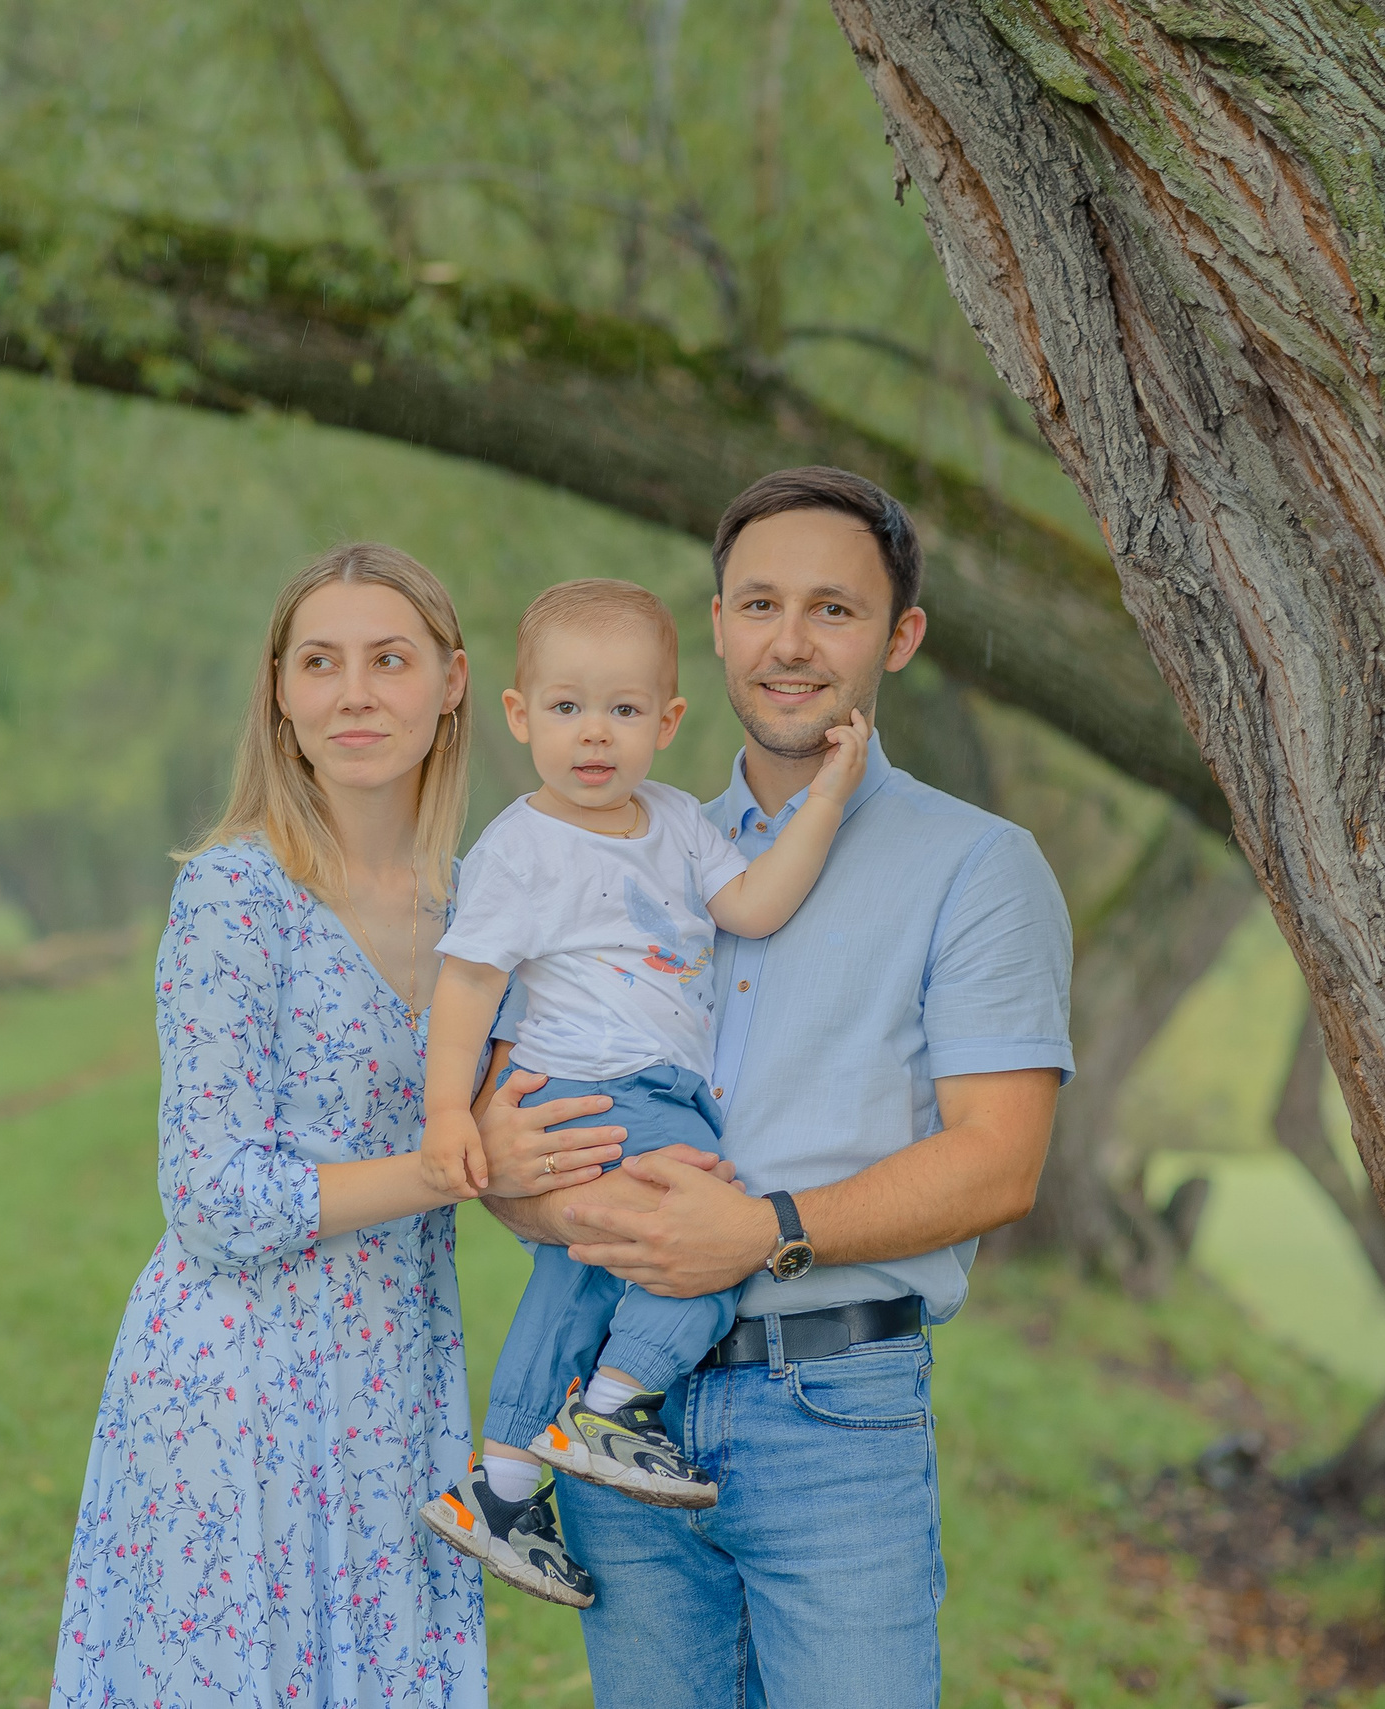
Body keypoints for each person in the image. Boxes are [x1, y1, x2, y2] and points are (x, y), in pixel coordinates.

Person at [476, 468, 1074, 1708]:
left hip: (831, 1413)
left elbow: (998, 1160)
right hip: (617, 1419)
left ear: (898, 637)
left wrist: (762, 1231)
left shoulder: (974, 865)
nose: (789, 642)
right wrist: (536, 1189)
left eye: (833, 610)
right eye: (758, 603)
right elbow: (506, 1117)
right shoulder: (621, 848)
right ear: (716, 627)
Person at [48, 543, 626, 1709]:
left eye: (388, 659)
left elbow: (536, 1135)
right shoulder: (236, 892)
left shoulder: (486, 908)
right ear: (279, 691)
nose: (354, 692)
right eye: (320, 661)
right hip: (237, 1382)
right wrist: (447, 1165)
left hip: (400, 1382)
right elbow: (211, 1199)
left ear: (454, 681)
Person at [410, 579, 868, 1607]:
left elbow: (754, 901)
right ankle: (618, 1405)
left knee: (580, 1276)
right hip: (591, 1081)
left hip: (647, 1084)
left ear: (665, 722)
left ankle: (505, 1482)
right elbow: (468, 986)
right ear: (520, 714)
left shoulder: (672, 821)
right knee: (707, 1236)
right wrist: (450, 1110)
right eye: (566, 707)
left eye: (623, 710)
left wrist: (826, 800)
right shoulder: (521, 847)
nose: (594, 734)